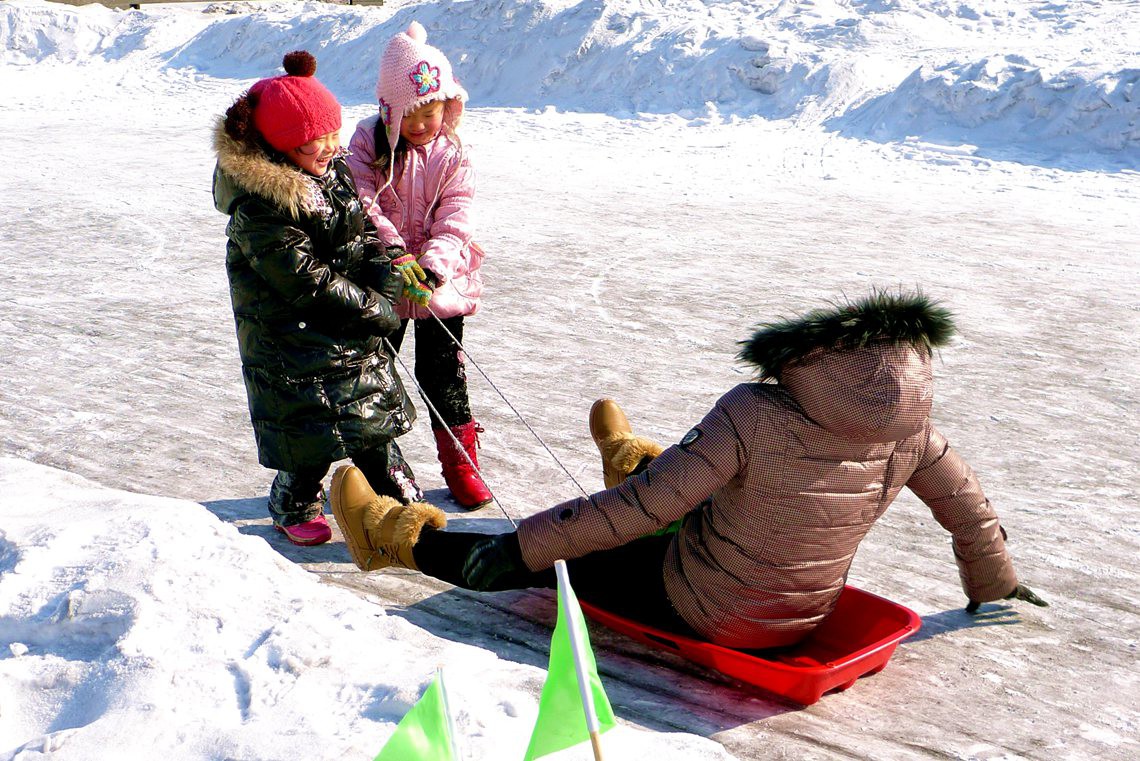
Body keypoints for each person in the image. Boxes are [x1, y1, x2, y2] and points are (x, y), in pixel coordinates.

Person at [328, 291, 1048, 648]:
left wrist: (526, 546)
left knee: (570, 551)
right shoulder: (916, 432)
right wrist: (993, 585)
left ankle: (393, 539)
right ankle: (632, 459)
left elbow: (638, 511)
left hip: (703, 603)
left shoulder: (755, 411)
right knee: (706, 491)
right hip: (804, 618)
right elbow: (969, 510)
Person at [212, 51, 423, 547]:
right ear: (280, 144)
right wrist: (374, 308)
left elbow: (360, 232)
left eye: (333, 134)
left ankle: (399, 497)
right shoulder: (260, 206)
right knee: (310, 433)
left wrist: (385, 274)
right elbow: (305, 279)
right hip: (290, 339)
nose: (330, 147)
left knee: (369, 420)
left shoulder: (332, 171)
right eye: (316, 140)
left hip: (344, 321)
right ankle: (295, 499)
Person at [345, 21, 491, 509]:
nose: (423, 124)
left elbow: (458, 214)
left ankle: (461, 465)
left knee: (442, 376)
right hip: (383, 279)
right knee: (371, 371)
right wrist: (394, 253)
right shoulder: (368, 142)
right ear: (389, 109)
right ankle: (375, 468)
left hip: (438, 283)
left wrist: (431, 267)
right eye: (411, 114)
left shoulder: (453, 153)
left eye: (431, 112)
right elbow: (362, 201)